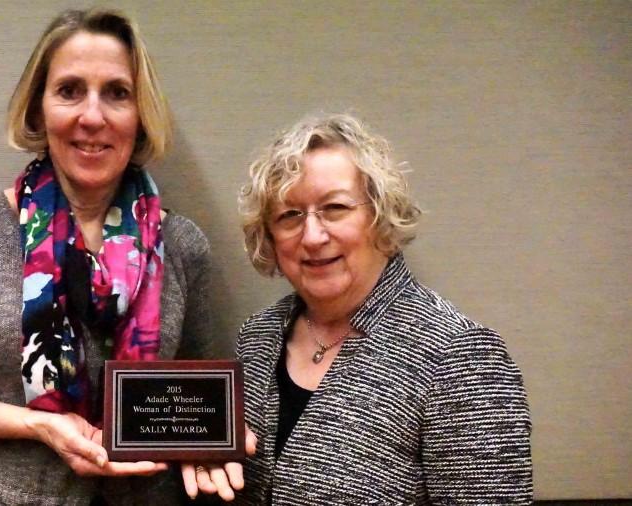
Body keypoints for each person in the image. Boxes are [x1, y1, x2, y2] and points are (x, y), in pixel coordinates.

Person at [0, 8, 213, 505]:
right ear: (39, 110)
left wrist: (212, 445)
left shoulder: (182, 246)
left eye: (117, 93)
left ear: (140, 114)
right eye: (70, 90)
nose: (92, 116)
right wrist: (37, 424)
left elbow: (196, 403)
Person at [183, 113, 532, 503]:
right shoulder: (258, 337)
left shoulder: (461, 356)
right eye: (289, 216)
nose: (312, 236)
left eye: (334, 208)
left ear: (379, 215)